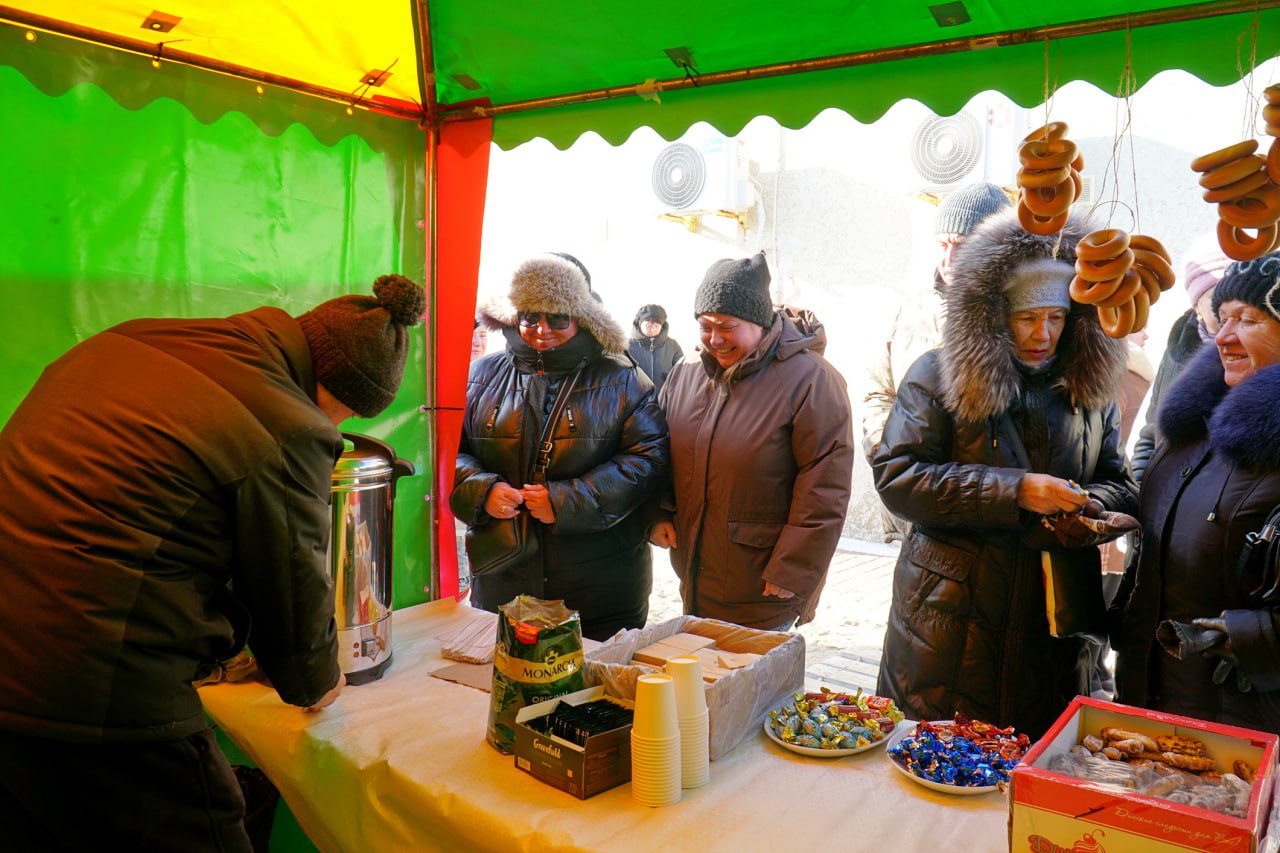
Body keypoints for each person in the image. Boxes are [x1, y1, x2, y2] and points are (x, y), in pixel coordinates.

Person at [0, 275, 426, 850]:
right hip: (98, 682)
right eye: (343, 414)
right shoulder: (288, 422)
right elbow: (293, 583)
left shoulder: (134, 339)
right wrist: (318, 682)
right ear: (331, 387)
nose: (336, 429)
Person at [872, 209, 1138, 740]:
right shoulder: (938, 373)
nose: (1043, 334)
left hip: (1050, 627)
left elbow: (1120, 482)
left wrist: (1084, 506)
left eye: (1057, 318)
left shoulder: (1090, 388)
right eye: (1027, 318)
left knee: (1029, 758)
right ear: (997, 315)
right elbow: (898, 476)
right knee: (932, 758)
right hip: (949, 624)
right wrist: (1015, 492)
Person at [451, 253, 669, 641]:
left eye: (558, 319)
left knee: (597, 677)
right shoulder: (480, 375)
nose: (542, 330)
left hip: (600, 586)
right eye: (530, 317)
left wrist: (567, 500)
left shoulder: (623, 378)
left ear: (582, 317)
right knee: (507, 674)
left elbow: (647, 458)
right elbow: (449, 451)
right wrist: (481, 489)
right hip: (503, 576)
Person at [1114, 252, 1280, 733]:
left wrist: (1255, 637)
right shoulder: (1194, 421)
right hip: (1150, 692)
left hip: (1240, 722)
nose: (1224, 336)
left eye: (1247, 319)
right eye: (1222, 317)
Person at [649, 251, 854, 631]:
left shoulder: (812, 380)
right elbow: (660, 450)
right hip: (696, 572)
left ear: (758, 322)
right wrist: (659, 512)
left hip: (763, 582)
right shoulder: (687, 371)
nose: (714, 339)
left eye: (727, 327)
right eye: (705, 327)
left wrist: (792, 568)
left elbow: (825, 487)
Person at [862, 181, 1011, 542]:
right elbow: (877, 392)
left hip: (991, 514)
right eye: (943, 245)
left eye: (963, 246)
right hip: (916, 505)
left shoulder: (1025, 315)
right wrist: (892, 451)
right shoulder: (910, 309)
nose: (949, 260)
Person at [1129, 234, 1231, 485]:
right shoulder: (1177, 350)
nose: (1227, 314)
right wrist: (1139, 490)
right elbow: (1151, 435)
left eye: (1238, 301)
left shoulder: (1257, 358)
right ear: (1197, 307)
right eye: (1217, 301)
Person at [628, 303, 684, 393]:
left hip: (664, 397)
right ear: (640, 324)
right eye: (649, 326)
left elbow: (681, 372)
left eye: (656, 326)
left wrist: (669, 379)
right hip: (635, 397)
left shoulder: (672, 346)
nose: (653, 329)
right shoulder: (627, 346)